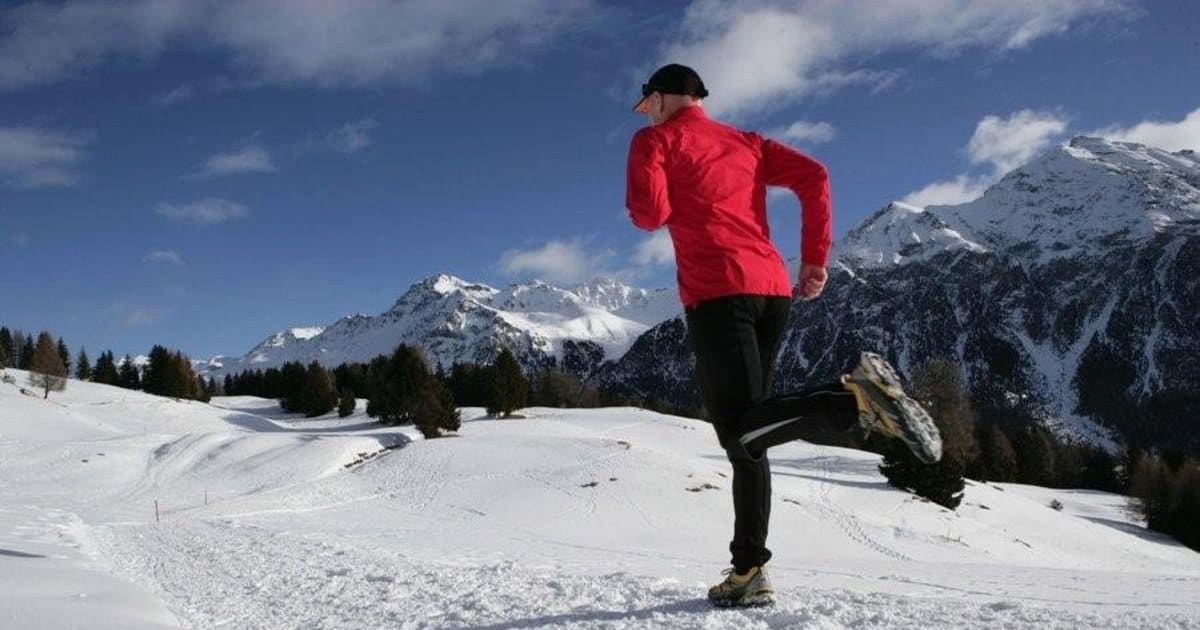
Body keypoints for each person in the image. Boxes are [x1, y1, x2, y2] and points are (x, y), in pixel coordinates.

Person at [625, 64, 943, 608]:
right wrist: (815, 258)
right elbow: (815, 175)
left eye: (647, 106)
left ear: (657, 99)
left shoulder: (654, 140)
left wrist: (656, 185)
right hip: (771, 289)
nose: (646, 115)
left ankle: (853, 401)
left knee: (739, 433)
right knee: (755, 430)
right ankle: (749, 571)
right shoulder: (746, 143)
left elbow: (650, 215)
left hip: (716, 290)